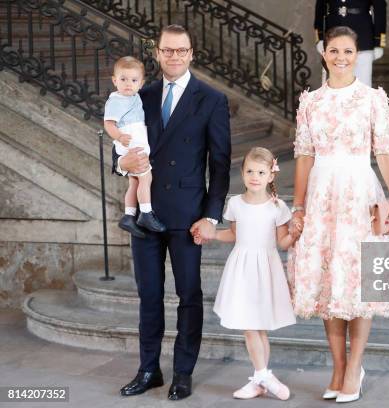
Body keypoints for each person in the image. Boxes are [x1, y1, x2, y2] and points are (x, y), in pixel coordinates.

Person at [112, 25, 231, 401]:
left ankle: (183, 371)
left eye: (181, 50)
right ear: (158, 53)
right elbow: (122, 146)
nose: (175, 56)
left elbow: (222, 164)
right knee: (148, 294)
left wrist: (211, 216)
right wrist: (120, 165)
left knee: (189, 295)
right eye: (168, 50)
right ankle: (149, 369)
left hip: (187, 214)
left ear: (191, 53)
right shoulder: (138, 95)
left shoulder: (211, 99)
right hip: (146, 214)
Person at [288, 26, 389, 404]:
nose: (341, 57)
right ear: (323, 53)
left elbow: (385, 153)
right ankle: (337, 368)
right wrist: (300, 206)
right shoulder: (311, 102)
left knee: (357, 281)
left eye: (349, 51)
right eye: (334, 50)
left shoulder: (372, 99)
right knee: (328, 283)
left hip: (359, 194)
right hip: (322, 196)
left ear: (358, 55)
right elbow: (304, 156)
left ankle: (355, 367)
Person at [197, 147, 299, 401]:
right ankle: (262, 377)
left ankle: (262, 377)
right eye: (250, 171)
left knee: (257, 327)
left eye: (261, 172)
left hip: (265, 268)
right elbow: (233, 234)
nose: (255, 176)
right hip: (242, 268)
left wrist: (295, 233)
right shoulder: (234, 204)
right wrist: (211, 235)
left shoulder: (277, 207)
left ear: (270, 176)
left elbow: (282, 242)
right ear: (242, 173)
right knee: (250, 326)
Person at [104, 56, 166, 238]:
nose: (128, 84)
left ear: (141, 83)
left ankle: (129, 216)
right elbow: (108, 124)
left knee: (135, 181)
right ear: (115, 81)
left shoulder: (134, 96)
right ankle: (146, 213)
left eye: (133, 80)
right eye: (123, 79)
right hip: (131, 142)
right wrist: (119, 136)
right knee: (146, 178)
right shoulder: (117, 100)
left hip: (135, 139)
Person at [314, 0, 387, 87]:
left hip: (362, 39)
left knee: (362, 85)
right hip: (334, 37)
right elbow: (320, 8)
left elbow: (380, 9)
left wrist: (378, 42)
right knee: (337, 87)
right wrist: (320, 37)